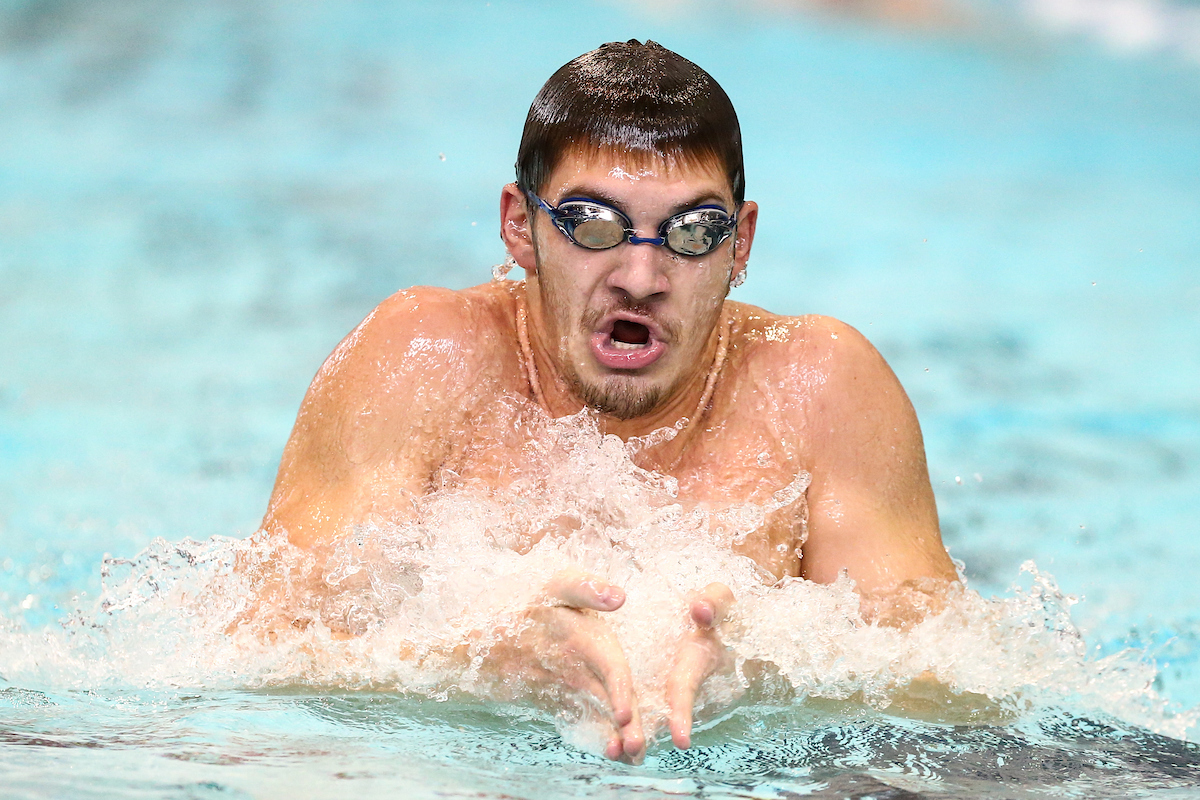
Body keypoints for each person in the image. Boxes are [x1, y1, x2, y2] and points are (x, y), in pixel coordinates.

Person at [254, 40, 957, 763]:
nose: (642, 276)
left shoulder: (820, 385)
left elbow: (965, 686)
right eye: (593, 223)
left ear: (740, 243)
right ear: (518, 225)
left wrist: (771, 670)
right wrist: (469, 660)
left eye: (692, 232)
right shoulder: (422, 359)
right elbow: (248, 654)